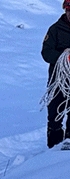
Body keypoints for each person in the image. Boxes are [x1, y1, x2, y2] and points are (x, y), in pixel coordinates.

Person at [42, 1, 70, 148]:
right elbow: (46, 52)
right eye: (69, 11)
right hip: (58, 81)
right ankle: (53, 150)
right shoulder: (55, 30)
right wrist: (63, 57)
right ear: (65, 11)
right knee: (54, 116)